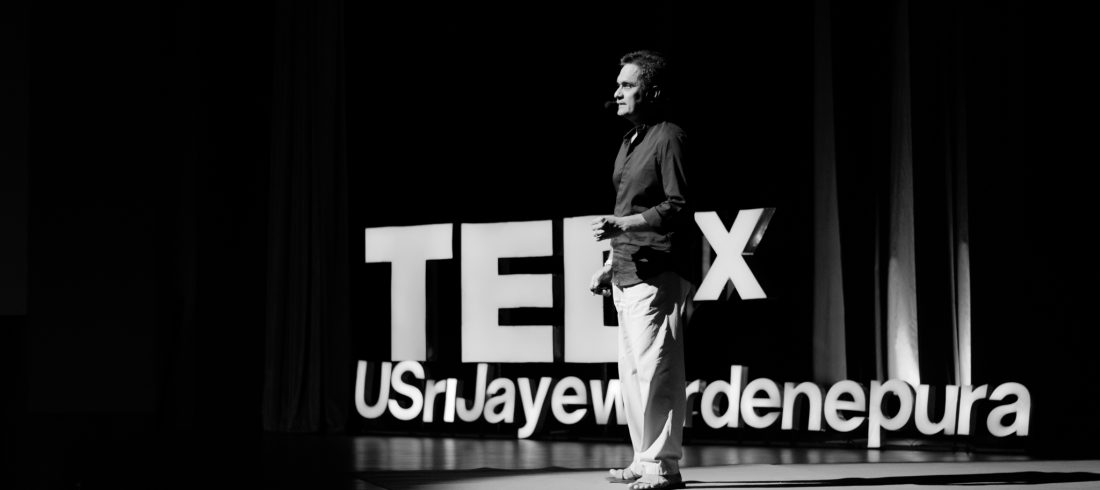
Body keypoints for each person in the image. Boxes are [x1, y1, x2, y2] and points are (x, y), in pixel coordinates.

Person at [590, 50, 695, 490]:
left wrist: (625, 227)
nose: (617, 92)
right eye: (618, 84)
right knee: (633, 375)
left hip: (658, 270)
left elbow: (678, 205)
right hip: (627, 270)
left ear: (652, 92)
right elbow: (625, 209)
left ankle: (663, 466)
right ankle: (643, 457)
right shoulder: (630, 140)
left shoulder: (669, 137)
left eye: (627, 85)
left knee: (658, 374)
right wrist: (609, 263)